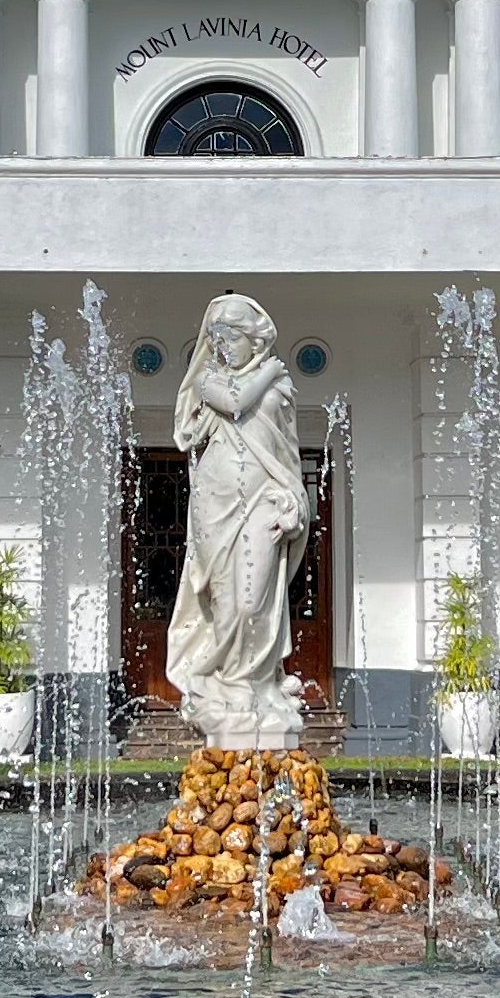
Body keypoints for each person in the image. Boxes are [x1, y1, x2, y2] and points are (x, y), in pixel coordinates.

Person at [165, 291, 307, 745]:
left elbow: (288, 454)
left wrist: (295, 503)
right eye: (216, 335)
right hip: (217, 505)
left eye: (232, 335)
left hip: (264, 499)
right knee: (227, 599)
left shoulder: (280, 390)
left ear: (254, 338)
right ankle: (229, 684)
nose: (223, 344)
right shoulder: (209, 380)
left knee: (254, 600)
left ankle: (259, 682)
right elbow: (235, 402)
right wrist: (269, 369)